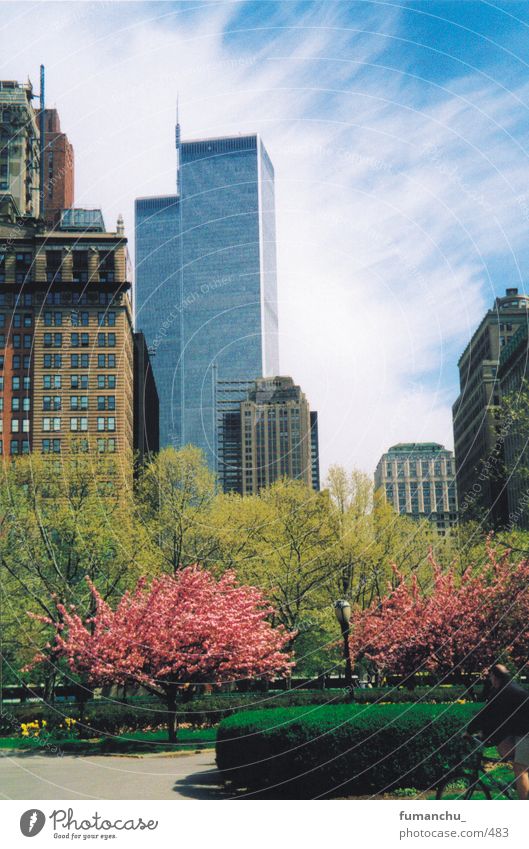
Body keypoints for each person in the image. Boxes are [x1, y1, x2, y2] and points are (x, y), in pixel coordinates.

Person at [465, 664, 529, 799]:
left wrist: (469, 731)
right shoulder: (509, 688)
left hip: (526, 733)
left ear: (494, 677)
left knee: (520, 768)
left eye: (490, 677)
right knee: (503, 748)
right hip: (520, 731)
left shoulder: (503, 691)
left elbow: (486, 713)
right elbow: (497, 719)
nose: (490, 680)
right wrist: (485, 734)